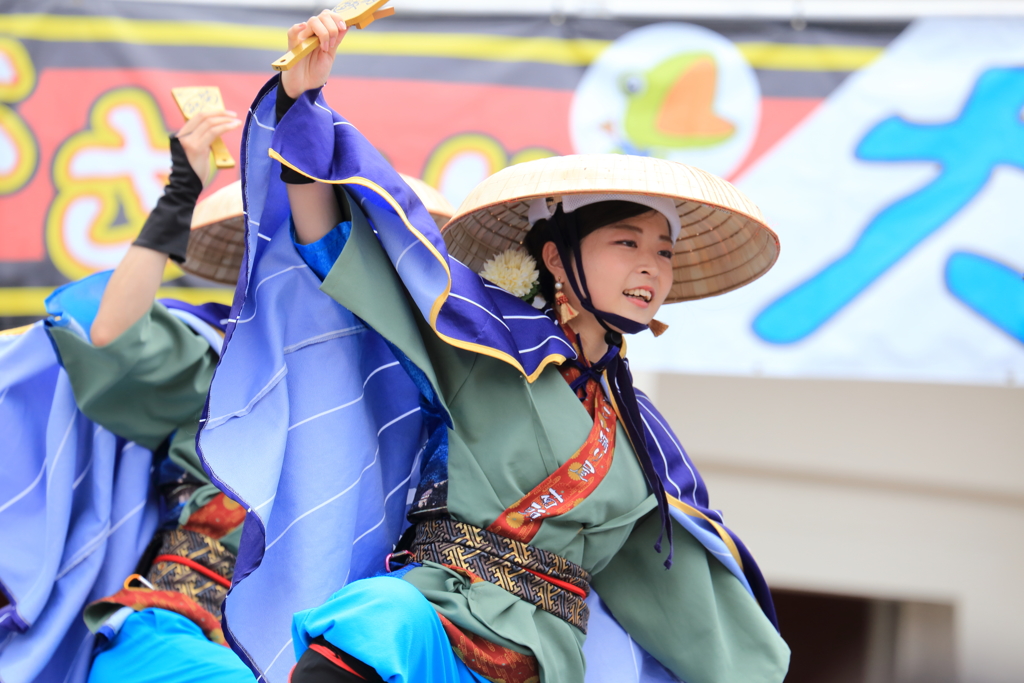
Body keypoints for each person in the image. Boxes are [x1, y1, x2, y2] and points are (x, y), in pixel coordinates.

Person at [198, 10, 790, 683]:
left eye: (663, 251)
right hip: (439, 614)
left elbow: (681, 592)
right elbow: (345, 253)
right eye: (626, 243)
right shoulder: (492, 343)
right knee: (370, 623)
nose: (650, 267)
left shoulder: (645, 439)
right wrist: (303, 107)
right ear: (556, 255)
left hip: (544, 661)